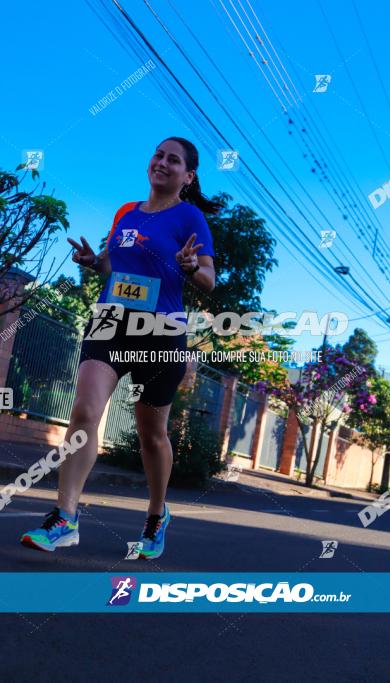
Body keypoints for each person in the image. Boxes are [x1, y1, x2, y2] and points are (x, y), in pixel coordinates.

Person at [20, 137, 218, 558]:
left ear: (188, 175)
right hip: (111, 322)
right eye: (158, 155)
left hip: (160, 330)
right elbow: (114, 263)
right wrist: (95, 262)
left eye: (173, 159)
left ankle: (156, 514)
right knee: (85, 411)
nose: (162, 162)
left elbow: (208, 279)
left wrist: (189, 268)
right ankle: (65, 518)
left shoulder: (190, 218)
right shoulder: (127, 213)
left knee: (152, 436)